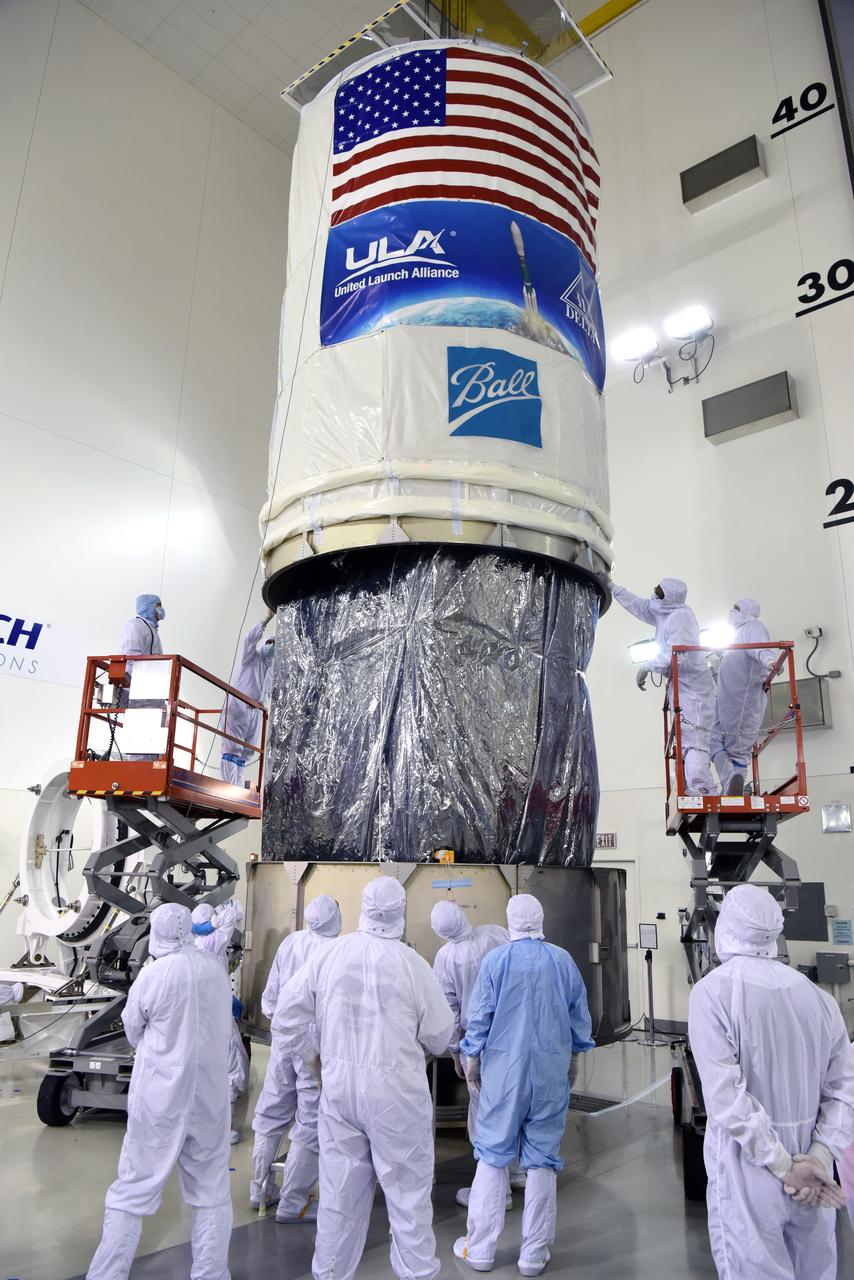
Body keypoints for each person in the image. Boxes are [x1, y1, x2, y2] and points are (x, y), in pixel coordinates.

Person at [273, 876, 453, 1280]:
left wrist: (313, 1059)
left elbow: (285, 1017)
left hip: (339, 1093)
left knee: (338, 1198)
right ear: (401, 914)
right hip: (397, 1097)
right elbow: (441, 1037)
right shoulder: (412, 965)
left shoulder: (330, 955)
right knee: (407, 1200)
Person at [688, 885, 854, 1280]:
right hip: (812, 1174)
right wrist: (819, 1156)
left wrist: (784, 1165)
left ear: (726, 925)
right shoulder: (819, 999)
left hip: (750, 1170)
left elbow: (726, 1101)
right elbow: (844, 1091)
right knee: (816, 1269)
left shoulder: (712, 993)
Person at [86, 902, 233, 1280]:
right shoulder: (214, 971)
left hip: (161, 1097)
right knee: (211, 1188)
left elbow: (133, 1030)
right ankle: (212, 1273)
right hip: (209, 1095)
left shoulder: (154, 975)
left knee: (134, 1187)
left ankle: (107, 1275)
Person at [454, 894, 594, 1277]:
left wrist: (471, 1060)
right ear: (542, 918)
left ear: (510, 921)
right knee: (542, 1160)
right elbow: (579, 1018)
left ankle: (480, 1249)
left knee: (493, 1154)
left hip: (503, 1074)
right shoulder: (562, 960)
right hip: (551, 1073)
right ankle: (534, 1255)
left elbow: (478, 1017)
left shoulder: (496, 961)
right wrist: (575, 1058)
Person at [249, 893, 342, 1218]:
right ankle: (295, 1201)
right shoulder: (337, 951)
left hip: (283, 1037)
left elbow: (271, 994)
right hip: (315, 1045)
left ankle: (258, 1188)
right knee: (310, 1120)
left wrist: (281, 1026)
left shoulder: (291, 942)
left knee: (271, 1112)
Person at [430, 900, 518, 1209]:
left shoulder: (445, 957)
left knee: (483, 1118)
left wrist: (456, 1052)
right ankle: (516, 1172)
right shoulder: (495, 934)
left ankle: (495, 1191)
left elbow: (449, 1009)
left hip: (476, 1046)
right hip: (512, 1037)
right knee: (511, 1105)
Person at [612, 578, 715, 794]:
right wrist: (613, 588)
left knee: (694, 739)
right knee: (688, 739)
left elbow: (678, 654)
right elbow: (639, 606)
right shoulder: (665, 613)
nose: (654, 593)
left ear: (670, 596)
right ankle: (697, 785)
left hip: (693, 688)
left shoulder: (680, 617)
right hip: (682, 685)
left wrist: (648, 666)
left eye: (659, 591)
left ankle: (703, 789)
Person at [191, 899, 249, 1145]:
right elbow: (236, 912)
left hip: (198, 1019)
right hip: (216, 1020)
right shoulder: (211, 941)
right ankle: (221, 1129)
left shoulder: (192, 945)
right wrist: (222, 913)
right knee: (232, 1070)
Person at [711, 598, 778, 795]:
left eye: (736, 608)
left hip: (742, 698)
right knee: (711, 738)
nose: (731, 611)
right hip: (725, 698)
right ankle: (731, 780)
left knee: (737, 744)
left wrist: (770, 661)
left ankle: (737, 777)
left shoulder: (752, 627)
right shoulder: (737, 635)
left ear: (746, 612)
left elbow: (761, 649)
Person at [220, 614, 274, 786]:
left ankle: (238, 787)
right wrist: (265, 619)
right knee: (232, 749)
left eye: (275, 644)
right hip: (239, 705)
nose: (271, 647)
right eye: (269, 643)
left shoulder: (271, 669)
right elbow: (249, 639)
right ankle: (230, 788)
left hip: (256, 709)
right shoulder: (251, 657)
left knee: (247, 752)